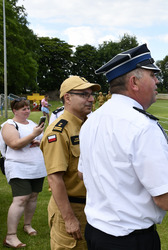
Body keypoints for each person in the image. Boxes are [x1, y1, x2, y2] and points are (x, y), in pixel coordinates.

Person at [78, 44, 168, 250]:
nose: (157, 81)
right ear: (134, 82)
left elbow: (82, 174)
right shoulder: (142, 127)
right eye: (152, 75)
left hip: (96, 233)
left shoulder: (92, 120)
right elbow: (167, 200)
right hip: (129, 241)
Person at [40, 76, 101, 250]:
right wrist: (69, 219)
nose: (91, 99)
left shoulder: (88, 126)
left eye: (91, 95)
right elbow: (54, 179)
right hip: (71, 208)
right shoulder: (58, 131)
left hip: (93, 206)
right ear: (67, 98)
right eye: (84, 94)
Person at [0, 98, 46, 248]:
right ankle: (10, 236)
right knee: (20, 199)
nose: (27, 111)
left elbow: (40, 140)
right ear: (15, 111)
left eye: (28, 108)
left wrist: (39, 140)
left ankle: (27, 225)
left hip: (36, 167)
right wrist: (33, 135)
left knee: (33, 197)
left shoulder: (33, 125)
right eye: (23, 109)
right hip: (19, 167)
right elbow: (14, 145)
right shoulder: (9, 125)